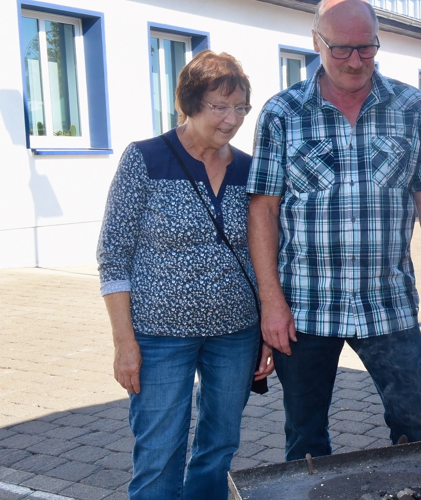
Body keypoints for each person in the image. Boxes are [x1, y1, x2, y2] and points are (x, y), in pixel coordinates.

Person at [247, 0, 421, 460]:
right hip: (304, 304)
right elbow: (262, 210)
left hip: (387, 301)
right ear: (316, 43)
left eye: (366, 48)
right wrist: (270, 302)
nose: (356, 61)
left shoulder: (412, 106)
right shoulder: (282, 113)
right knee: (304, 440)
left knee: (417, 429)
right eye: (342, 50)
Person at [97, 50, 274, 500]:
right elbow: (113, 257)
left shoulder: (250, 170)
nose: (232, 119)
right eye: (220, 107)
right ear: (189, 104)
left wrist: (265, 333)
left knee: (218, 447)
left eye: (240, 108)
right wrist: (125, 344)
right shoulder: (146, 159)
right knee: (159, 455)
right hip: (159, 337)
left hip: (235, 334)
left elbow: (266, 253)